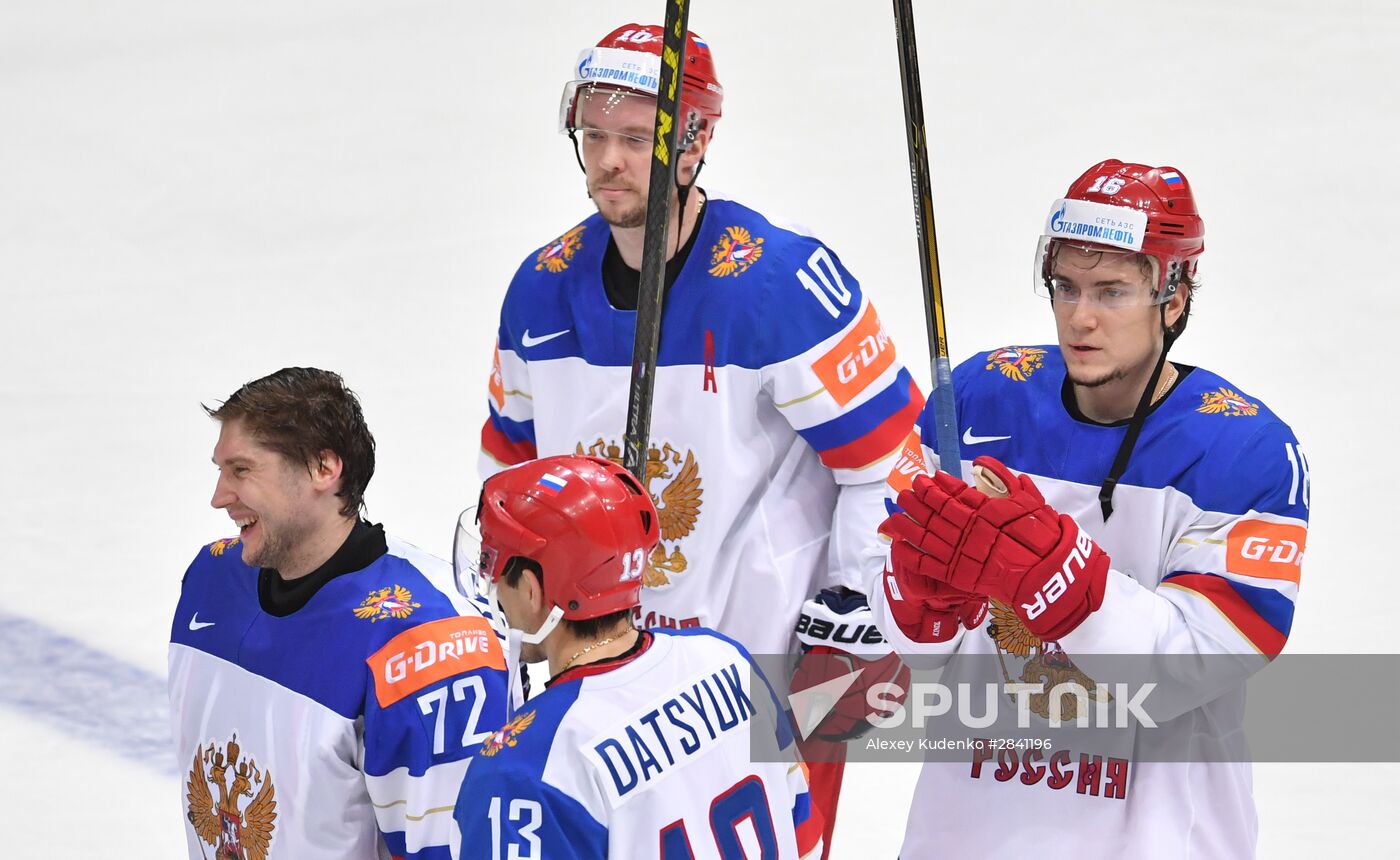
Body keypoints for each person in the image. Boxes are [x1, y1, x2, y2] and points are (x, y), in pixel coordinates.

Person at [477, 23, 920, 845]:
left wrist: (855, 604)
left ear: (696, 139)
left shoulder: (782, 284)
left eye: (637, 138)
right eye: (595, 136)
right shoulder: (538, 294)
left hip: (758, 681)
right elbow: (509, 465)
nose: (610, 161)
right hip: (601, 676)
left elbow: (892, 457)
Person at [872, 160, 1310, 856]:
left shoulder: (1246, 452)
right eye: (1067, 288)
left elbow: (1205, 657)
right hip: (968, 832)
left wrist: (1066, 579)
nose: (1080, 317)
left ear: (1173, 296)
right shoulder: (981, 399)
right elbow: (912, 644)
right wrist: (916, 602)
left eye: (1112, 292)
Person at [169, 367, 513, 860]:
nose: (219, 497)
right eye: (220, 470)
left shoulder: (430, 642)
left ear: (323, 469)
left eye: (241, 471)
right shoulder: (210, 580)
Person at [453, 455, 824, 859]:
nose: (489, 586)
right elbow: (804, 836)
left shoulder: (526, 768)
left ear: (530, 589)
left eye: (492, 566)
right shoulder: (726, 658)